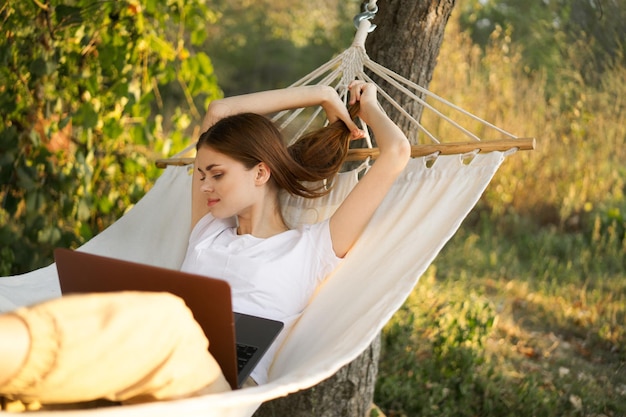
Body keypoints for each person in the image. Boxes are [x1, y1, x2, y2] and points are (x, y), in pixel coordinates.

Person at [180, 80, 411, 385]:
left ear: (261, 173)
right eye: (201, 175)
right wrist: (322, 95)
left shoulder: (312, 249)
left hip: (220, 390)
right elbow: (219, 111)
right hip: (165, 355)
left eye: (217, 174)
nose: (204, 186)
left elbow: (396, 152)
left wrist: (369, 108)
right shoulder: (207, 232)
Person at [0, 291, 231, 412]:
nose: (204, 196)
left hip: (210, 381)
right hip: (141, 386)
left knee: (168, 322)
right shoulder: (209, 229)